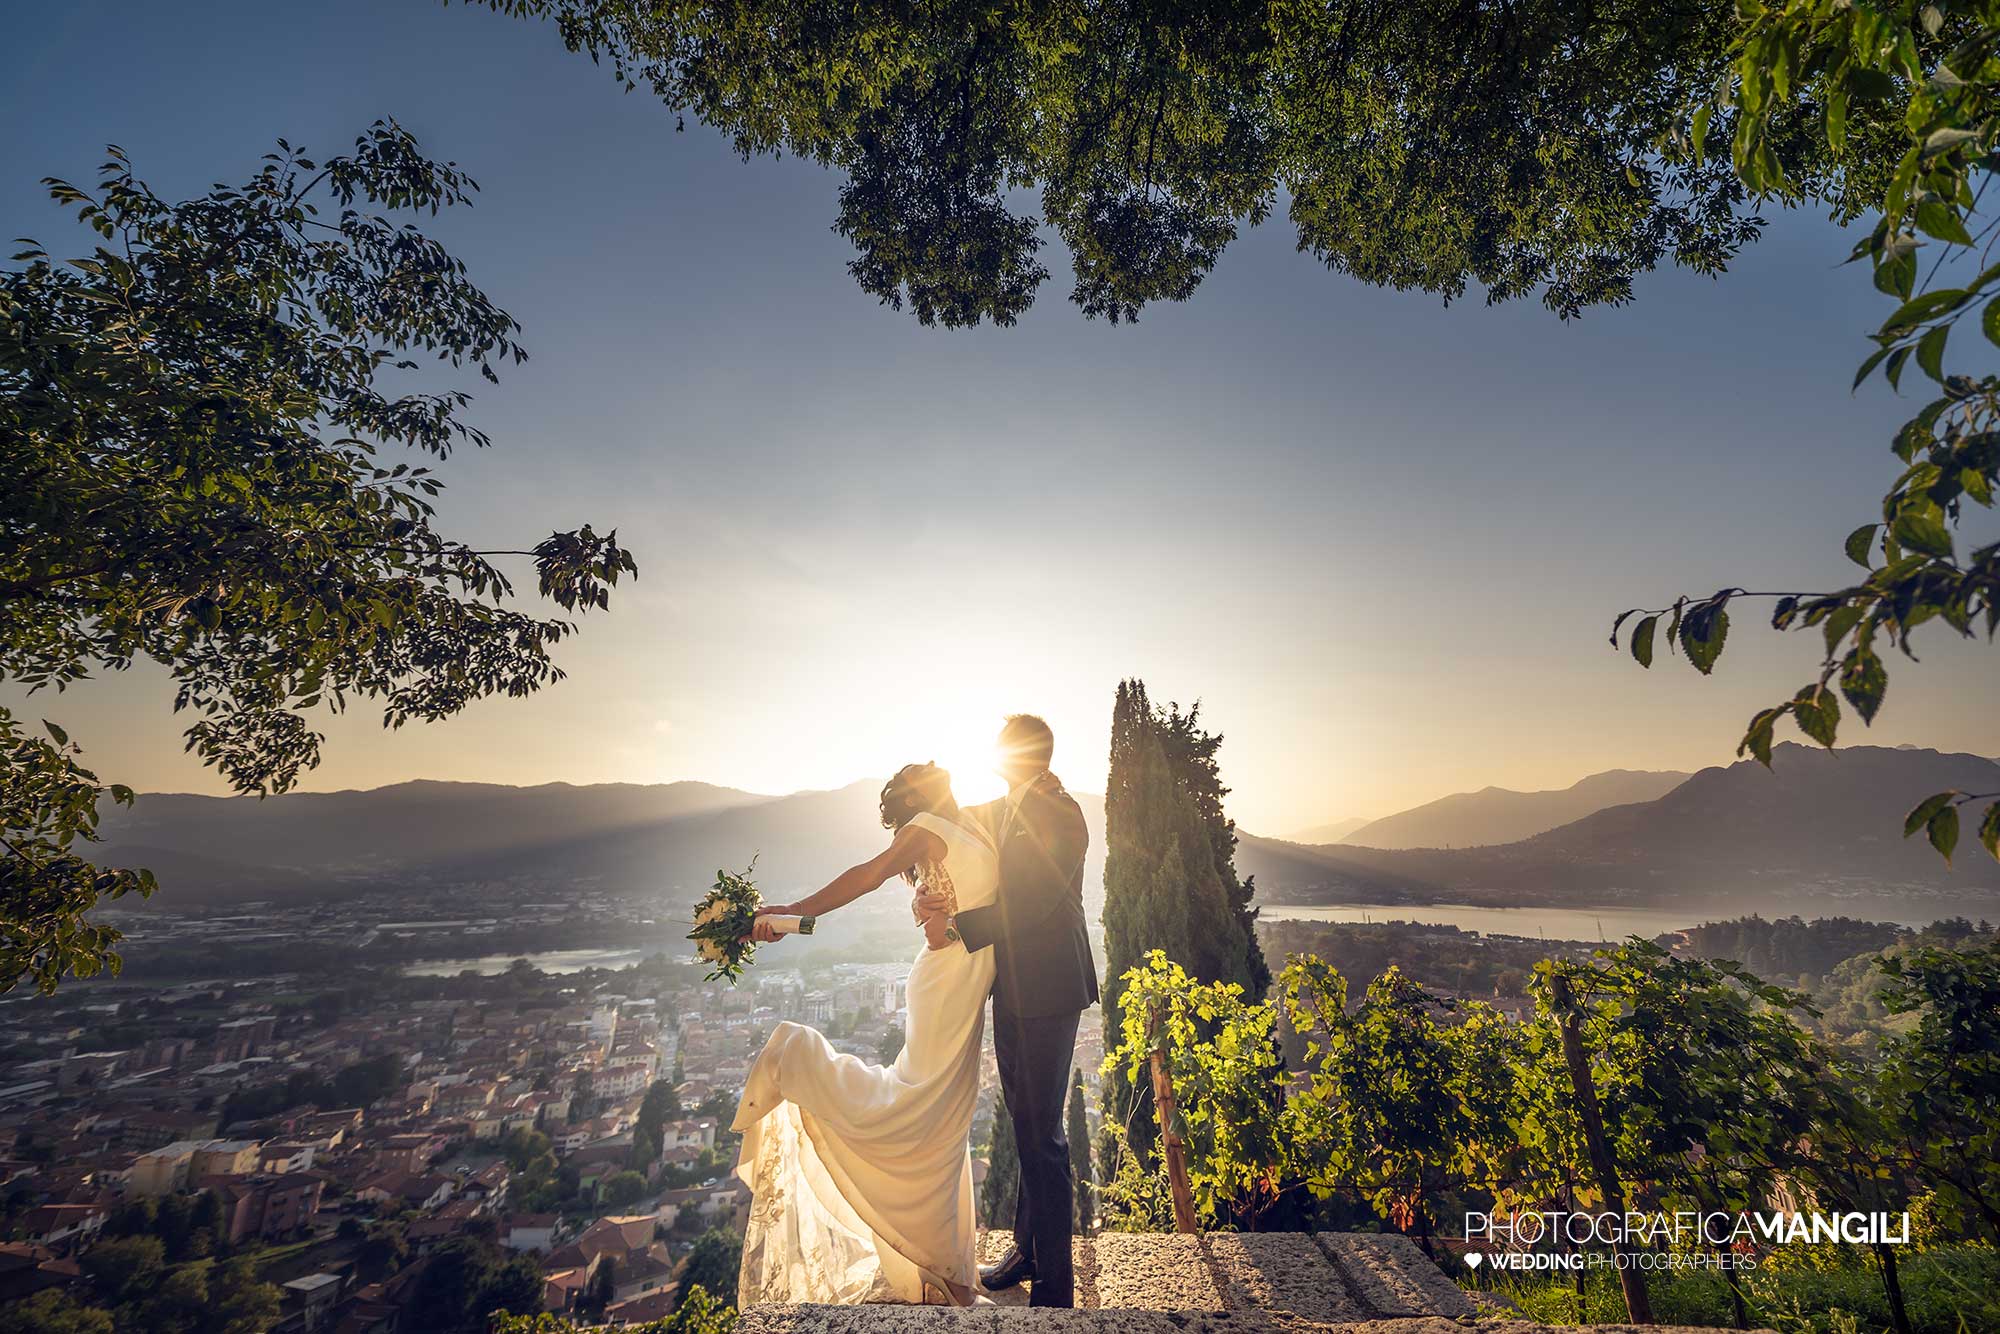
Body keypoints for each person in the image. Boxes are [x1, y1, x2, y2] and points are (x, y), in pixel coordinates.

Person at [730, 762, 995, 1306]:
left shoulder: (956, 828)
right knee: (926, 1107)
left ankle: (945, 1268)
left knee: (945, 1117)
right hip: (948, 982)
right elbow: (875, 879)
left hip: (959, 978)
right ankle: (796, 1058)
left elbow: (900, 887)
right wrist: (792, 915)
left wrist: (930, 912)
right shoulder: (947, 829)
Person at [917, 714, 1097, 1308]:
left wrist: (953, 933)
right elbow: (952, 842)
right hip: (1014, 986)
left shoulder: (1062, 813)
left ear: (1026, 755)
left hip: (1050, 988)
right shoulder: (1007, 806)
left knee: (1043, 1134)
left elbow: (1033, 906)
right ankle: (1026, 1251)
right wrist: (921, 883)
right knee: (1024, 1119)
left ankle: (1056, 1286)